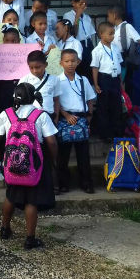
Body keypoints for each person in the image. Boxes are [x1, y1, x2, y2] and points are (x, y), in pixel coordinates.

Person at [0, 83, 58, 250]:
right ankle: (30, 239)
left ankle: (5, 229)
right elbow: (51, 142)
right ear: (33, 96)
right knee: (32, 200)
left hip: (11, 160)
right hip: (35, 162)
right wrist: (53, 160)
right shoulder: (40, 115)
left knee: (11, 196)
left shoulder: (6, 114)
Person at [57, 49, 96, 193]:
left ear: (78, 62)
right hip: (65, 119)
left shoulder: (83, 80)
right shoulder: (57, 80)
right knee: (63, 155)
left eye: (73, 61)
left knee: (83, 154)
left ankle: (86, 183)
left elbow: (90, 99)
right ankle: (63, 184)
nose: (70, 64)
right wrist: (65, 115)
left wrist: (89, 117)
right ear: (61, 63)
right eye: (66, 61)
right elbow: (55, 102)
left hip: (81, 119)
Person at [91, 22, 124, 140]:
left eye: (113, 34)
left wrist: (121, 82)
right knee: (104, 107)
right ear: (101, 34)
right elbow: (95, 68)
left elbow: (119, 65)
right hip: (104, 79)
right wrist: (96, 84)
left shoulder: (115, 48)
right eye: (110, 34)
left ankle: (117, 132)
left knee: (116, 106)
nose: (112, 36)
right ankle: (105, 134)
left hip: (115, 79)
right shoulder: (97, 50)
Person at [18, 50, 60, 119]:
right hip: (29, 119)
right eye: (31, 68)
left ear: (46, 64)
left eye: (38, 67)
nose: (34, 70)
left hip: (49, 117)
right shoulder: (24, 80)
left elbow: (56, 100)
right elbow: (18, 101)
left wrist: (56, 119)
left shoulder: (54, 79)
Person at [63, 0, 95, 79]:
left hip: (88, 45)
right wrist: (77, 17)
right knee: (79, 70)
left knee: (89, 70)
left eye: (85, 4)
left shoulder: (87, 17)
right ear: (73, 3)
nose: (83, 6)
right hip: (77, 45)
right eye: (81, 4)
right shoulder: (68, 15)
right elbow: (74, 33)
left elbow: (91, 35)